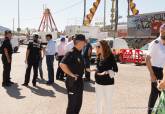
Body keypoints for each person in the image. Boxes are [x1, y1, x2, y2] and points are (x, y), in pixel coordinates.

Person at [60, 34, 86, 114]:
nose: (85, 43)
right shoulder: (71, 52)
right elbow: (62, 64)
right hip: (72, 82)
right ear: (79, 42)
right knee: (72, 104)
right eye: (84, 42)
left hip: (79, 81)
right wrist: (71, 74)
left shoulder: (79, 53)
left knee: (78, 103)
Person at [91, 40, 118, 114]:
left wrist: (106, 72)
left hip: (108, 83)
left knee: (108, 102)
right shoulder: (99, 56)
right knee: (98, 101)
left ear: (104, 47)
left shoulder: (110, 56)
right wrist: (94, 69)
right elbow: (99, 68)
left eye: (98, 46)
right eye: (96, 46)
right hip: (98, 82)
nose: (97, 48)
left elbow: (115, 69)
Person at [146, 23, 165, 114]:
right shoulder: (155, 43)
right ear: (160, 31)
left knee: (163, 97)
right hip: (156, 71)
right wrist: (152, 74)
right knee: (154, 95)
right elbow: (147, 59)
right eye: (162, 31)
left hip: (164, 72)